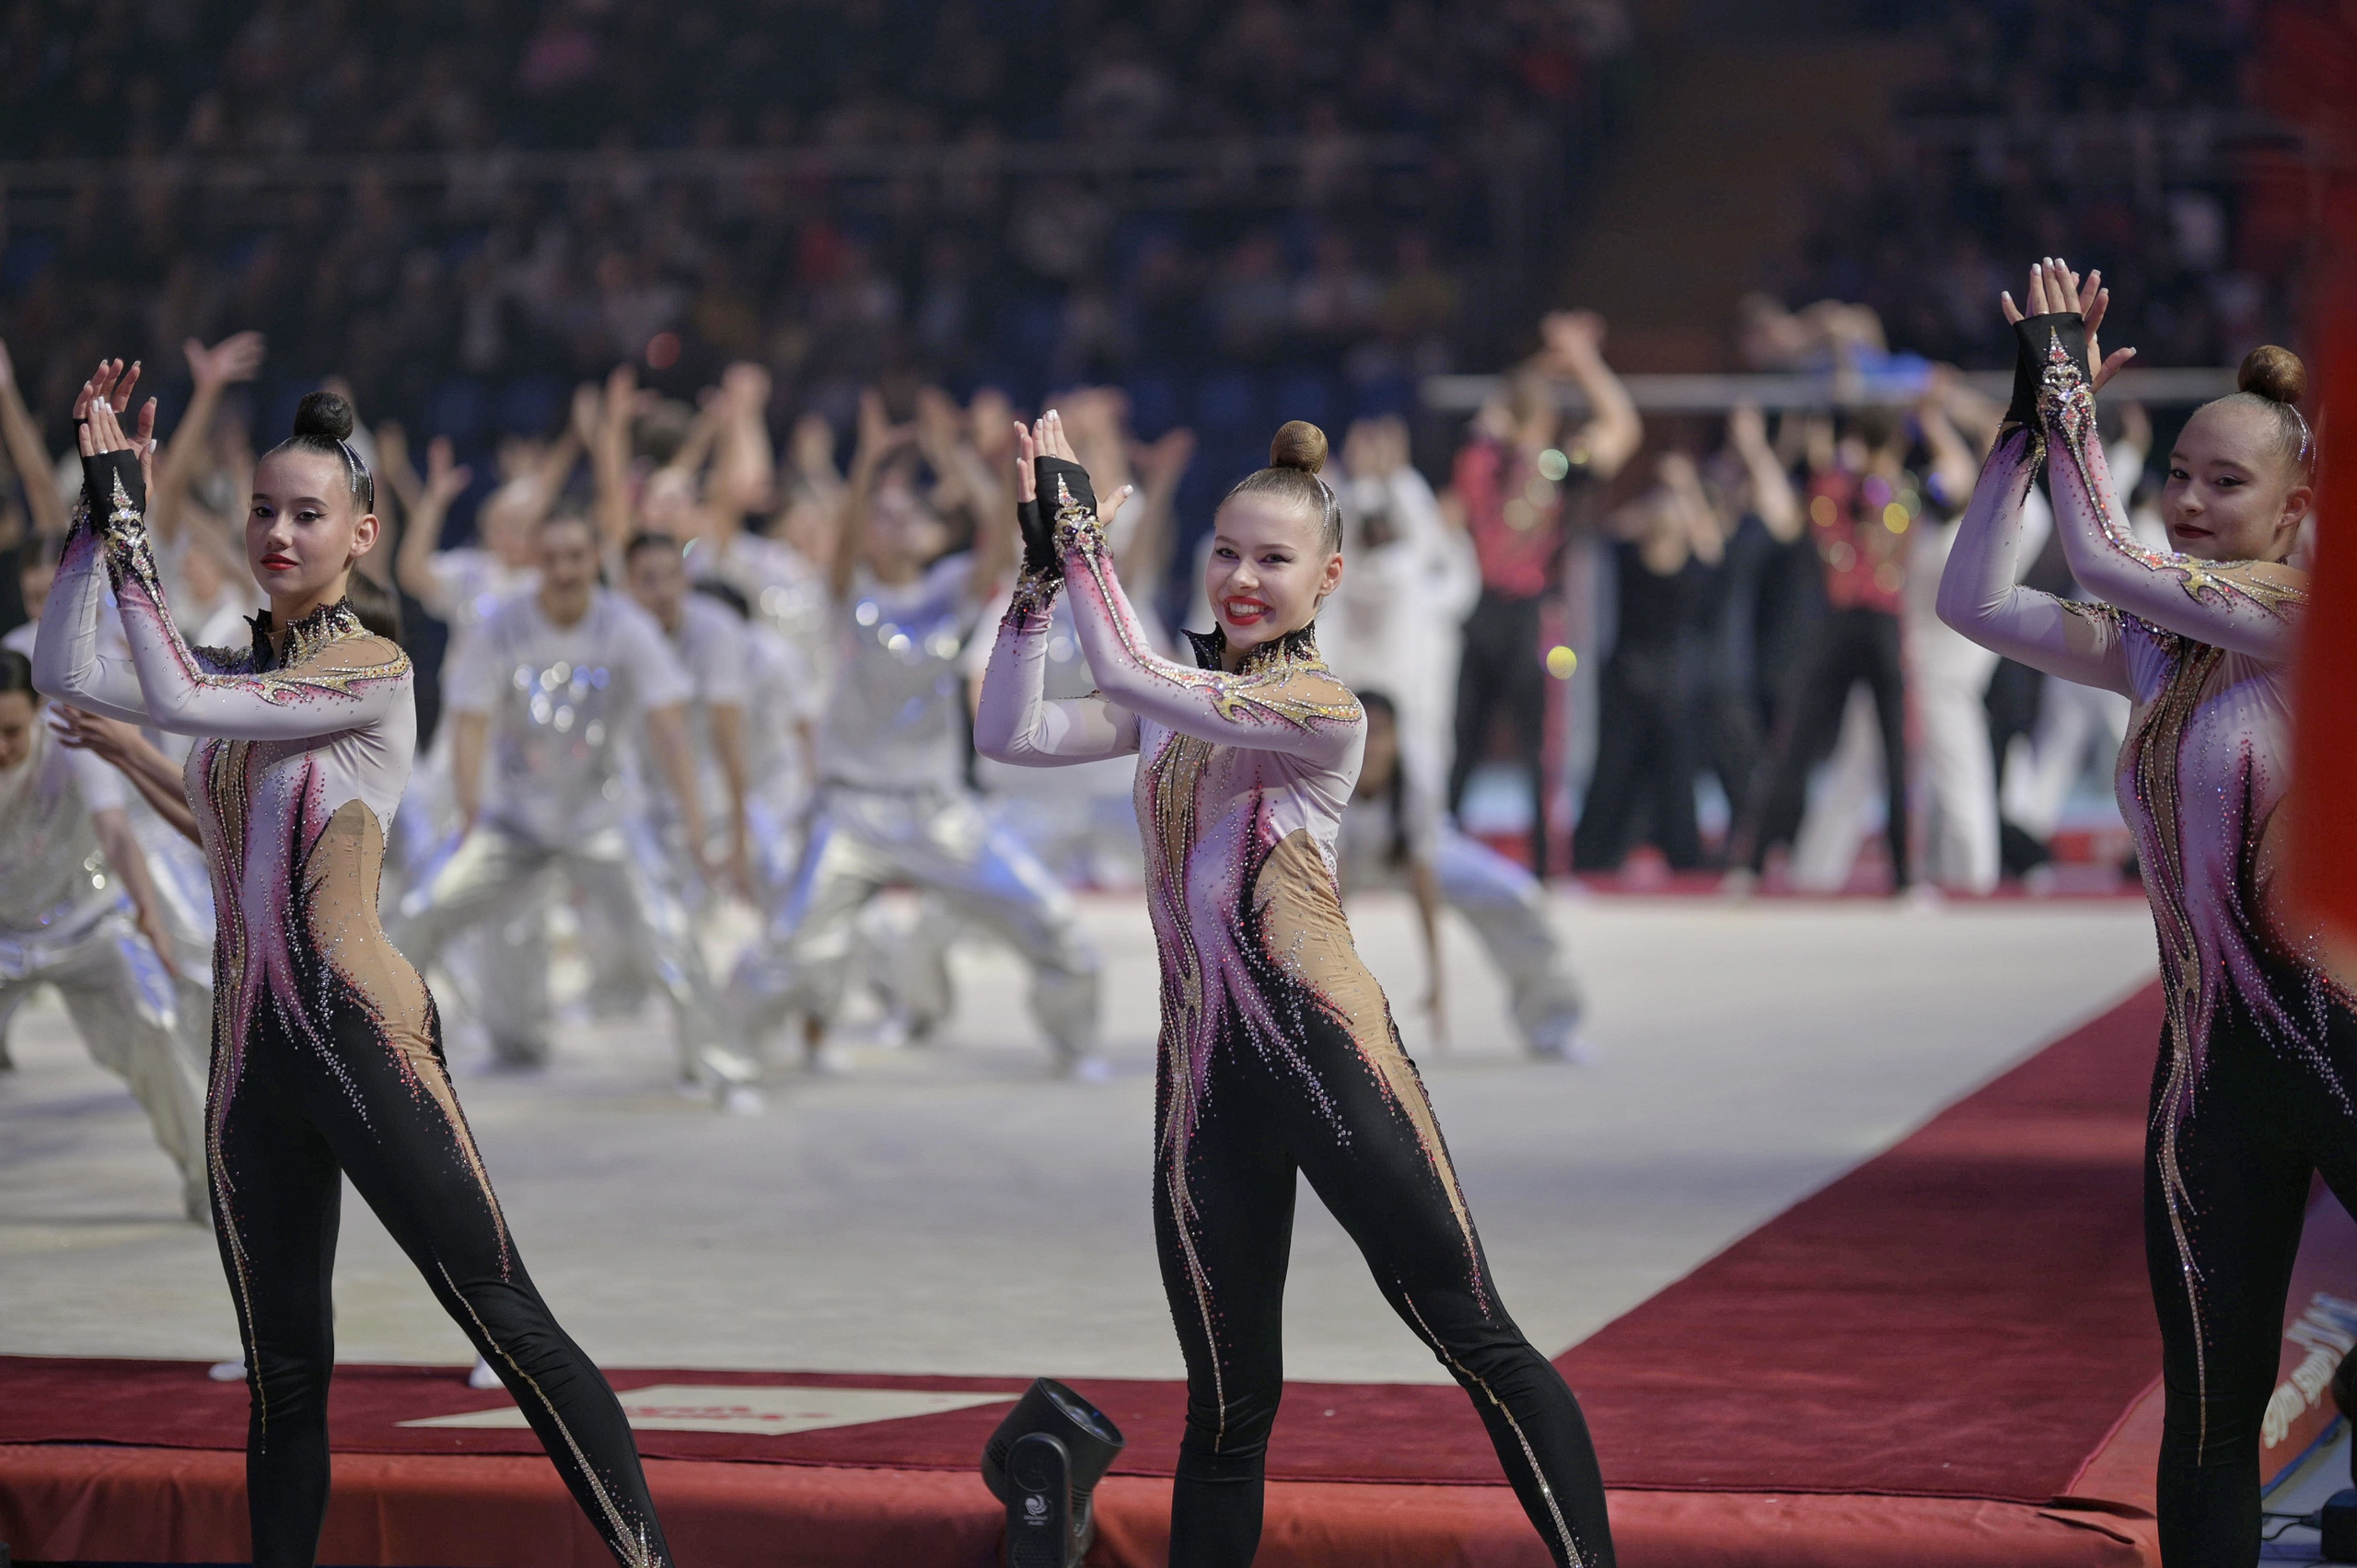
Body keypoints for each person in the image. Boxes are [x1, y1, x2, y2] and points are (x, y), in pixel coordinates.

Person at [34, 369, 671, 1568]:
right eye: (264, 510)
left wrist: (129, 510)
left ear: (360, 533)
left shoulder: (369, 668)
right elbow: (74, 675)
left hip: (358, 1029)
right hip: (249, 1060)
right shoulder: (241, 676)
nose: (278, 532)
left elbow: (173, 687)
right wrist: (93, 508)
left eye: (307, 514)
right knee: (283, 1376)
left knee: (507, 1317)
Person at [977, 413, 1615, 1568]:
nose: (1241, 578)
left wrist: (1074, 532)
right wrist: (1035, 586)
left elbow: (1123, 666)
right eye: (1226, 551)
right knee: (1224, 1409)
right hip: (1204, 1086)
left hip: (1330, 1058)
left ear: (1328, 577)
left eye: (1273, 560)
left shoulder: (1324, 710)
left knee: (1475, 1334)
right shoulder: (1170, 704)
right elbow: (1010, 730)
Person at [1938, 258, 2328, 1566]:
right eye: (2183, 477)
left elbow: (2101, 549)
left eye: (2229, 484)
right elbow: (1977, 601)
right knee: (2211, 1412)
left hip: (2342, 1041)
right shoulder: (2164, 644)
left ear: (2298, 510)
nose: (2193, 502)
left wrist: (2067, 393)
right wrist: (2021, 426)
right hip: (2208, 1074)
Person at [726, 389, 1103, 1079]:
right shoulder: (847, 591)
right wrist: (867, 462)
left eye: (909, 512)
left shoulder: (954, 586)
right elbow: (841, 543)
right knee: (789, 948)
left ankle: (1077, 1047)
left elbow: (1000, 533)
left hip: (936, 809)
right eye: (882, 514)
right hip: (852, 812)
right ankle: (724, 1059)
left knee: (1051, 921)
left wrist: (960, 456)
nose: (896, 521)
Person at [388, 510, 742, 1094]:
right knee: (424, 908)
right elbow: (470, 724)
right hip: (514, 819)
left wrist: (697, 827)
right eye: (552, 559)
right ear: (536, 562)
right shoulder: (500, 627)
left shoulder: (626, 626)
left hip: (602, 815)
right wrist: (472, 817)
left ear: (594, 559)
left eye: (576, 557)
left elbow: (672, 729)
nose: (564, 570)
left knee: (665, 926)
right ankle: (369, 1053)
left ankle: (720, 1065)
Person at [0, 646, 208, 1215]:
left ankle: (204, 1176)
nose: (2, 747)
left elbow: (114, 829)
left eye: (12, 732)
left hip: (87, 919)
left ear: (37, 714)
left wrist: (149, 914)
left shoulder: (70, 736)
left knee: (157, 1019)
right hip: (5, 936)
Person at [1447, 311, 1642, 877]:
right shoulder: (1556, 466)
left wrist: (1545, 362)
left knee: (1466, 742)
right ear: (1550, 415)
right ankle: (1545, 872)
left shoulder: (1479, 456)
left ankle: (1441, 856)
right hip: (1530, 616)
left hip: (1481, 613)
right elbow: (1622, 425)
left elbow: (1503, 403)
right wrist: (1581, 361)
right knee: (1539, 749)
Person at [1730, 404, 1922, 892]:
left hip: (1837, 627)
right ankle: (1904, 877)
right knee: (1894, 751)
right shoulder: (1902, 491)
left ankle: (1750, 866)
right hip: (1878, 627)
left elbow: (1810, 517)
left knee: (1795, 746)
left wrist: (1834, 460)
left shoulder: (1836, 486)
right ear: (1896, 444)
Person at [1344, 691, 1588, 1060]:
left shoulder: (1418, 777)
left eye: (1380, 733)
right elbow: (1334, 892)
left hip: (1425, 858)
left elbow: (1422, 876)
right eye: (1362, 734)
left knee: (1518, 897)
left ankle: (1551, 1026)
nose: (1371, 747)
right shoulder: (1321, 775)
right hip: (1343, 866)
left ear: (1397, 738)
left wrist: (1436, 980)